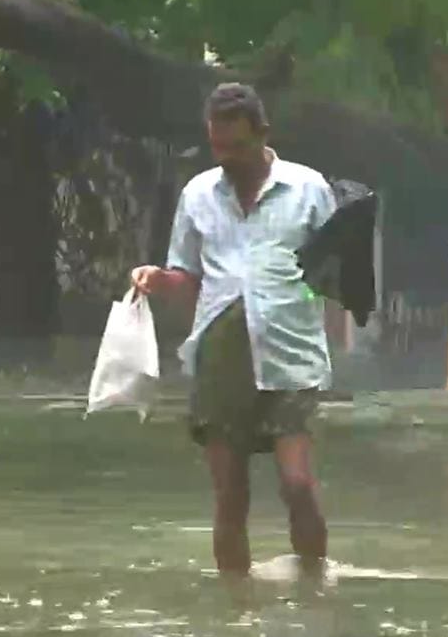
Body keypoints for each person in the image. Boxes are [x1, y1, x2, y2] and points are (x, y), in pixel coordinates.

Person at [130, 82, 337, 577]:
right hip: (221, 355)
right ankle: (234, 609)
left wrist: (330, 341)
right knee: (230, 497)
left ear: (262, 135)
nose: (227, 159)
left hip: (291, 354)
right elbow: (188, 276)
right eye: (218, 148)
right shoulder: (198, 194)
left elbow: (335, 276)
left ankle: (315, 590)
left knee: (297, 484)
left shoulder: (309, 189)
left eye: (237, 147)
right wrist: (158, 280)